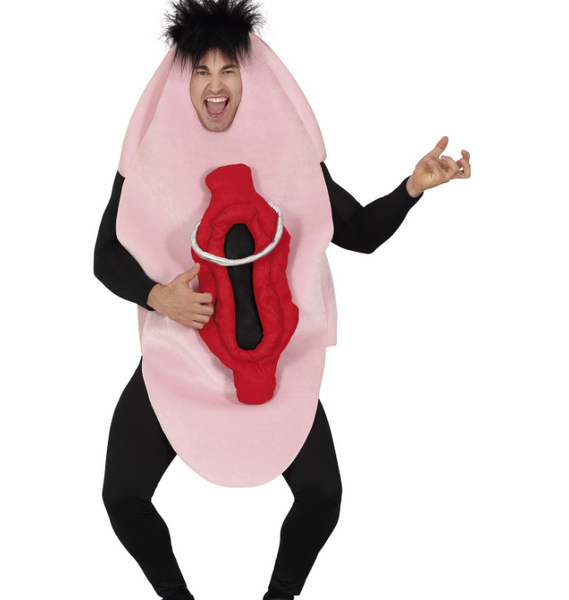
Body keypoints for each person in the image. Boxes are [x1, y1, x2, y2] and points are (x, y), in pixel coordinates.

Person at [94, 1, 471, 599]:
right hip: (181, 359)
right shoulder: (152, 160)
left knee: (322, 495)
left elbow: (359, 233)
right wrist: (157, 297)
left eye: (229, 69)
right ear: (182, 81)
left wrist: (412, 188)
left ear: (251, 77)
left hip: (274, 359)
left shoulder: (288, 160)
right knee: (123, 496)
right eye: (200, 71)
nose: (215, 85)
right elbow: (105, 256)